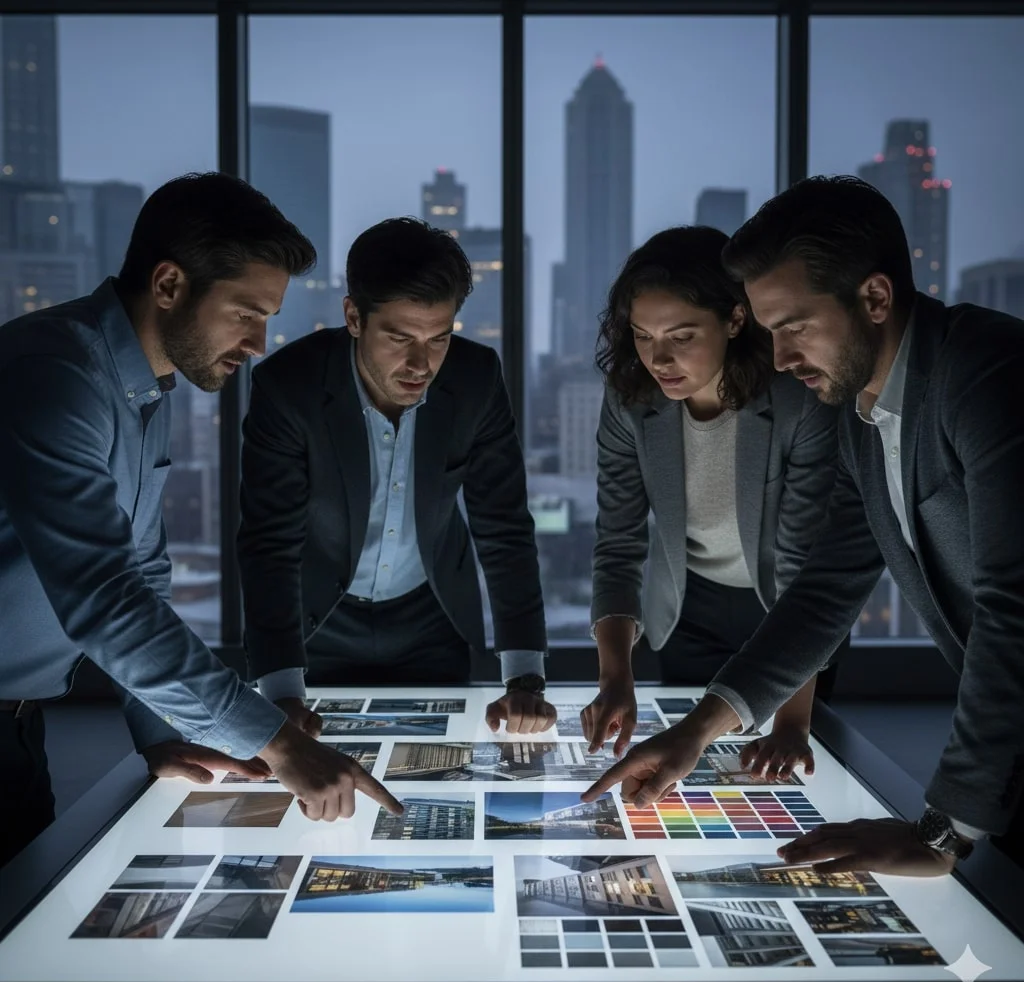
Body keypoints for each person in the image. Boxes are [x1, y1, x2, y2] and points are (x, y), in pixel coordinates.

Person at [582, 175, 1024, 877]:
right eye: (770, 332)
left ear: (874, 298)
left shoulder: (988, 375)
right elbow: (823, 591)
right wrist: (695, 734)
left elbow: (1013, 609)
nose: (781, 358)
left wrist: (944, 832)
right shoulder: (858, 418)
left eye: (794, 327)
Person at [0, 172, 402, 867]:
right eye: (246, 313)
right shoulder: (57, 374)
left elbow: (142, 575)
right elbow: (104, 597)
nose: (259, 342)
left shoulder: (143, 388)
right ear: (168, 284)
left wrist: (159, 729)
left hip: (18, 729)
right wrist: (279, 744)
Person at [237, 217, 553, 734]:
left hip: (432, 619)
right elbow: (269, 543)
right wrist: (280, 691)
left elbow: (504, 526)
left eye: (438, 338)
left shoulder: (475, 378)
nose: (420, 364)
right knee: (312, 767)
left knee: (438, 765)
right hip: (317, 621)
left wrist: (525, 679)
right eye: (399, 337)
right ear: (353, 317)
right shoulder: (289, 386)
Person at [581, 226, 843, 770]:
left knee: (795, 770)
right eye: (642, 335)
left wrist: (792, 725)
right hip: (687, 605)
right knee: (693, 768)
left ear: (735, 319)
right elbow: (618, 544)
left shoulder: (797, 400)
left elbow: (803, 570)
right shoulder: (630, 399)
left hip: (787, 609)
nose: (659, 358)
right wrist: (615, 678)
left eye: (682, 337)